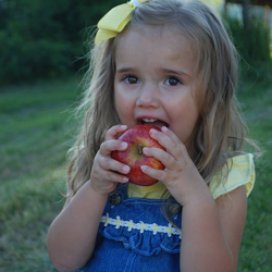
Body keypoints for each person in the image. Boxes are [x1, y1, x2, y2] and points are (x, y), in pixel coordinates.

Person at [47, 0, 256, 271]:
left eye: (172, 80)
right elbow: (63, 259)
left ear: (211, 93)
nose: (146, 99)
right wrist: (95, 189)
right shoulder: (104, 163)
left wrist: (195, 197)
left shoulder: (224, 179)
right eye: (131, 79)